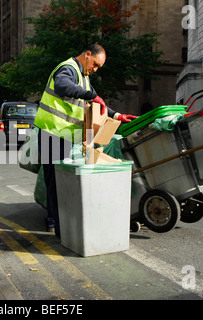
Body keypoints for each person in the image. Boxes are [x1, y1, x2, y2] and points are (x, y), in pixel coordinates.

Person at [34, 44, 138, 237]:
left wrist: (117, 116)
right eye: (95, 64)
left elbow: (98, 103)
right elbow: (63, 85)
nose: (95, 69)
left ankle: (60, 222)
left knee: (63, 180)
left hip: (64, 136)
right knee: (55, 181)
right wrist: (91, 95)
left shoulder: (84, 77)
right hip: (51, 133)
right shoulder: (68, 68)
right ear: (87, 55)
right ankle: (55, 223)